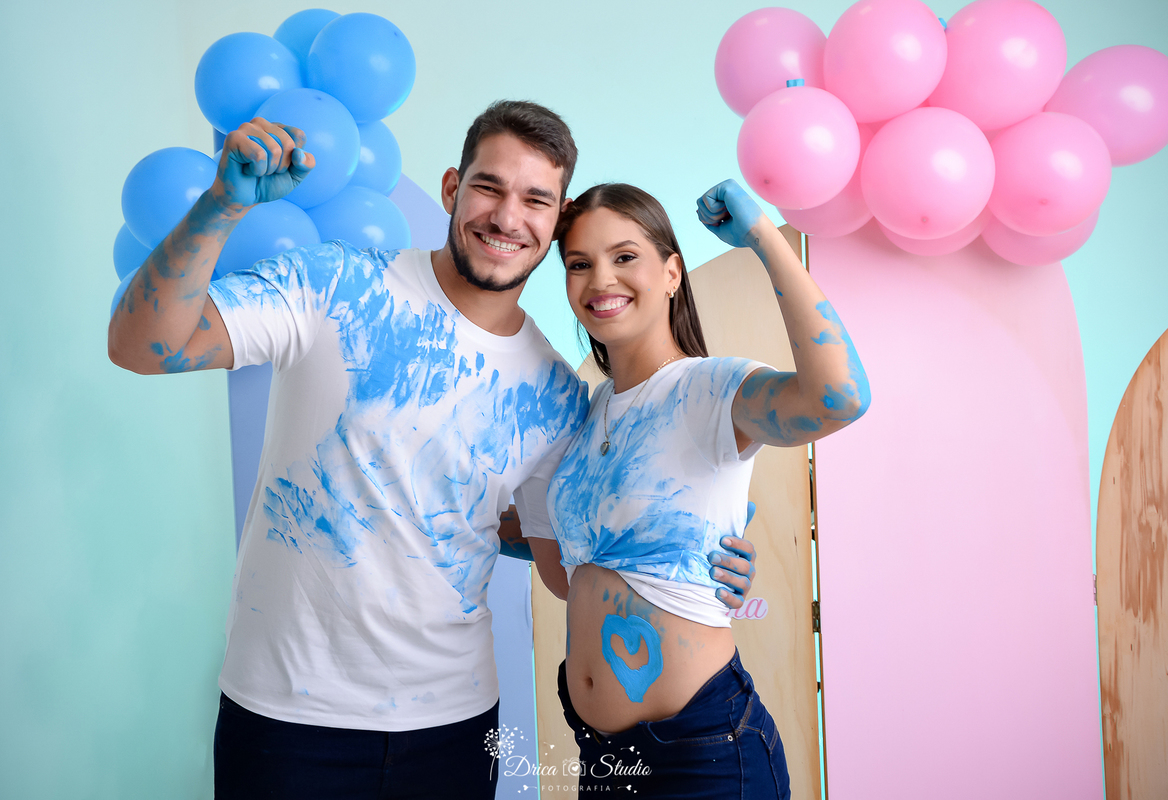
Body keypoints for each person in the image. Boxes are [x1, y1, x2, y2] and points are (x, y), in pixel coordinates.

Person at [108, 101, 756, 799]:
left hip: (456, 724)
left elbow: (563, 559)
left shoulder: (558, 396)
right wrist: (222, 203)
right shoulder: (334, 283)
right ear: (452, 188)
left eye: (535, 199)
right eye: (489, 187)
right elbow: (143, 345)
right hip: (286, 714)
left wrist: (705, 563)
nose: (508, 217)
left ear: (555, 218)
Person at [524, 181, 871, 797]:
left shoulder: (713, 390)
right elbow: (567, 572)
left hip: (703, 755)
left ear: (672, 272)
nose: (601, 278)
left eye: (625, 256)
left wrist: (763, 238)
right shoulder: (584, 416)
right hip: (603, 761)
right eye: (579, 264)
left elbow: (839, 399)